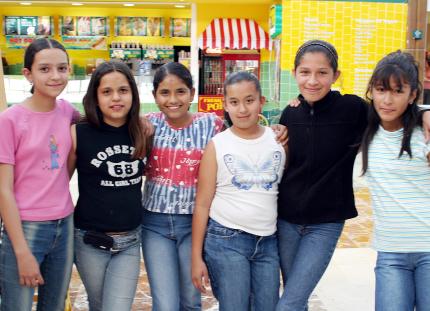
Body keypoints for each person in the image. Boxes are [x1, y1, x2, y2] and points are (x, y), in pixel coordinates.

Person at [276, 40, 430, 311]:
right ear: (294, 73)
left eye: (322, 72)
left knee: (289, 302)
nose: (313, 80)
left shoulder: (354, 110)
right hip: (287, 220)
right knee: (294, 296)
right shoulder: (292, 111)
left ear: (336, 76)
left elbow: (397, 110)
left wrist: (425, 113)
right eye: (305, 72)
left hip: (326, 222)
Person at [191, 71, 286, 311]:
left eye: (249, 100)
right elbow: (202, 203)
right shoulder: (218, 145)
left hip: (268, 242)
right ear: (225, 105)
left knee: (268, 306)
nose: (242, 109)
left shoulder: (278, 141)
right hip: (226, 240)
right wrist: (196, 257)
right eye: (234, 102)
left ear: (261, 101)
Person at [0, 38, 79, 311]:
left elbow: (98, 126)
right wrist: (21, 251)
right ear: (28, 74)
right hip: (25, 227)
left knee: (55, 304)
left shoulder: (68, 111)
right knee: (17, 305)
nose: (55, 76)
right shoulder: (9, 120)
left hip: (65, 223)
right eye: (44, 69)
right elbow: (3, 190)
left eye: (62, 68)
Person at [141, 62, 224, 310]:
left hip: (194, 225)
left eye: (180, 91)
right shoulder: (146, 125)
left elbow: (245, 132)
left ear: (192, 93)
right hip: (154, 226)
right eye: (164, 93)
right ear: (154, 96)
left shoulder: (212, 125)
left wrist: (279, 128)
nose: (173, 99)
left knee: (190, 300)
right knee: (165, 304)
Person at [68, 60, 151, 311]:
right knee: (99, 305)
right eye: (107, 92)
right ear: (95, 96)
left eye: (123, 90)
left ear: (133, 95)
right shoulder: (78, 133)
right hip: (88, 240)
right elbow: (59, 185)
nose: (116, 98)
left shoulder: (143, 131)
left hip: (129, 241)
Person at [361, 51, 430, 311]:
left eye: (398, 91)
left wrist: (425, 112)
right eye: (380, 90)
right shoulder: (366, 128)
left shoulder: (423, 134)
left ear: (412, 95)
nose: (387, 100)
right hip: (391, 253)